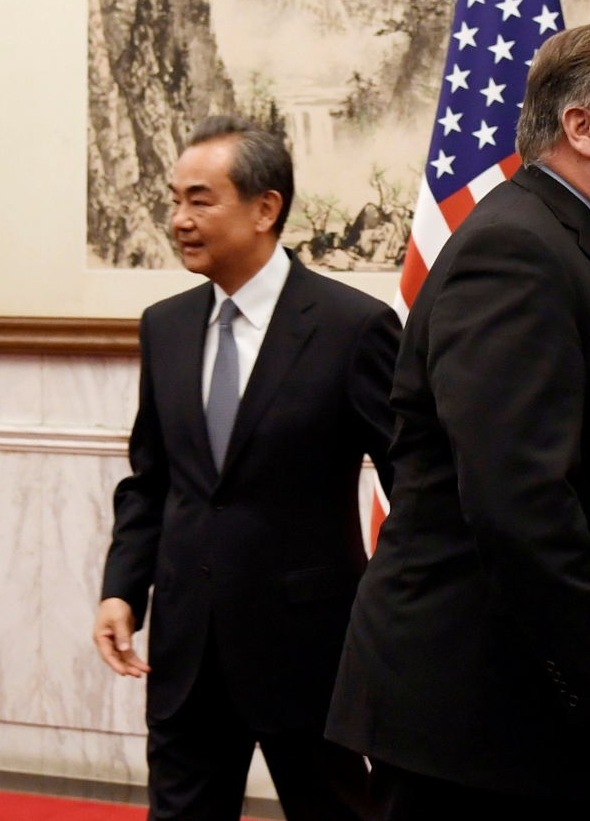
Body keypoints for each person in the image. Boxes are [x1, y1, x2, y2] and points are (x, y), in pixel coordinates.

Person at [325, 25, 590, 820]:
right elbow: (519, 502)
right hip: (494, 736)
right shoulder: (517, 254)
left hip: (562, 728)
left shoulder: (587, 247)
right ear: (581, 128)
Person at [93, 116, 401, 821]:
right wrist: (121, 589)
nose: (179, 219)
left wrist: (397, 615)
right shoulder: (164, 326)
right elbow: (152, 478)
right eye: (173, 200)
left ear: (266, 208)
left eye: (201, 200)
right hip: (186, 648)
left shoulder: (352, 326)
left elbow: (414, 482)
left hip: (309, 649)